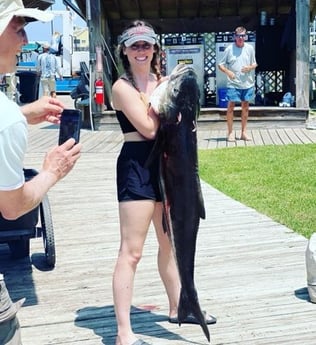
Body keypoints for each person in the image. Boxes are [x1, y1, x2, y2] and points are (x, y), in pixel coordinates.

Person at [111, 20, 215, 345]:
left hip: (168, 165)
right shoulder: (121, 88)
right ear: (124, 50)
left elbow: (181, 115)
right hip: (137, 167)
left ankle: (178, 305)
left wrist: (170, 93)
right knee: (132, 252)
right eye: (135, 45)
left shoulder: (163, 83)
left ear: (155, 48)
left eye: (147, 45)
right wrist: (167, 96)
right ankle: (123, 332)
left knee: (169, 243)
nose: (141, 50)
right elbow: (150, 128)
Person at [0, 0, 82, 343]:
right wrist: (51, 171)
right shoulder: (6, 121)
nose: (24, 40)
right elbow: (13, 207)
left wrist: (23, 112)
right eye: (17, 29)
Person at [218, 26, 257, 142]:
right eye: (239, 36)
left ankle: (243, 132)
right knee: (230, 107)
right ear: (235, 37)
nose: (241, 38)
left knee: (245, 107)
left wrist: (249, 67)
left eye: (243, 36)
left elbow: (255, 64)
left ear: (245, 36)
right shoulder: (229, 49)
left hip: (247, 83)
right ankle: (230, 133)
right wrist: (228, 72)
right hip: (233, 83)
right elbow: (220, 65)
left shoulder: (250, 48)